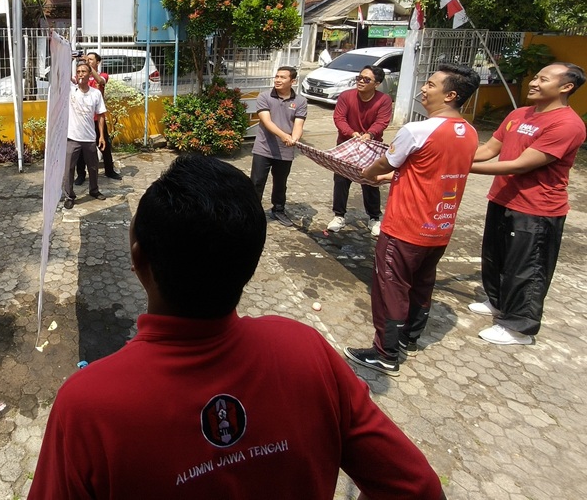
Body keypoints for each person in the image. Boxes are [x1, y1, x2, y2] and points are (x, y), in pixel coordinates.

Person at [29, 155, 446, 500]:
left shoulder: (89, 405)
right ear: (251, 260)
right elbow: (419, 488)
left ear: (139, 262)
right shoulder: (306, 352)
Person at [344, 64, 480, 376]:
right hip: (440, 229)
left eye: (430, 85)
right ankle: (410, 337)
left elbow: (383, 163)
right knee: (422, 283)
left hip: (405, 228)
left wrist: (368, 174)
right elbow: (425, 171)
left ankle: (385, 353)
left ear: (450, 95)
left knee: (390, 287)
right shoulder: (470, 133)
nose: (423, 89)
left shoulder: (417, 130)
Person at [468, 63, 586, 345]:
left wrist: (459, 167)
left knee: (528, 268)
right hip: (503, 197)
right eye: (535, 75)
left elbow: (522, 165)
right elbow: (487, 150)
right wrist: (448, 155)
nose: (533, 82)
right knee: (496, 257)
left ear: (566, 87)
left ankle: (519, 327)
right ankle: (497, 302)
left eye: (543, 79)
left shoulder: (567, 124)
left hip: (537, 208)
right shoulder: (519, 114)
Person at [327, 64, 393, 237]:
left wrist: (370, 134)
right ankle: (339, 216)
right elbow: (339, 118)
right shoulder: (346, 96)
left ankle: (374, 217)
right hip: (346, 144)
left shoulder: (384, 100)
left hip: (370, 146)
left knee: (370, 180)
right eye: (359, 78)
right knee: (341, 180)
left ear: (376, 83)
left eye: (366, 79)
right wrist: (351, 133)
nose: (361, 82)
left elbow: (382, 121)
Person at [249, 66, 307, 227]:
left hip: (285, 151)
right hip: (263, 148)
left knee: (280, 182)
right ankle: (252, 212)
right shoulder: (265, 96)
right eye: (277, 76)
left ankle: (278, 210)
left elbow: (299, 124)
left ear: (293, 81)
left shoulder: (300, 101)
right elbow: (266, 121)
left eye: (282, 77)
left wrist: (294, 139)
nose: (278, 80)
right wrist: (284, 136)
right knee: (257, 181)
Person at [63, 61, 107, 209]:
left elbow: (101, 115)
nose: (81, 74)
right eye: (78, 71)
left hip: (89, 138)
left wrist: (101, 136)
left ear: (90, 74)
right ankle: (69, 196)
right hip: (72, 138)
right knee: (69, 169)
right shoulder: (71, 90)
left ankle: (94, 190)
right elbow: (59, 74)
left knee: (93, 167)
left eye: (84, 71)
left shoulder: (95, 94)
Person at [74, 51, 121, 183]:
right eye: (86, 59)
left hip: (97, 118)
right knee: (81, 148)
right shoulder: (82, 75)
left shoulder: (102, 75)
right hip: (83, 119)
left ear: (97, 62)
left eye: (91, 59)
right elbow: (72, 80)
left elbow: (100, 81)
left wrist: (91, 69)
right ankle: (81, 175)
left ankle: (109, 171)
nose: (88, 61)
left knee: (104, 145)